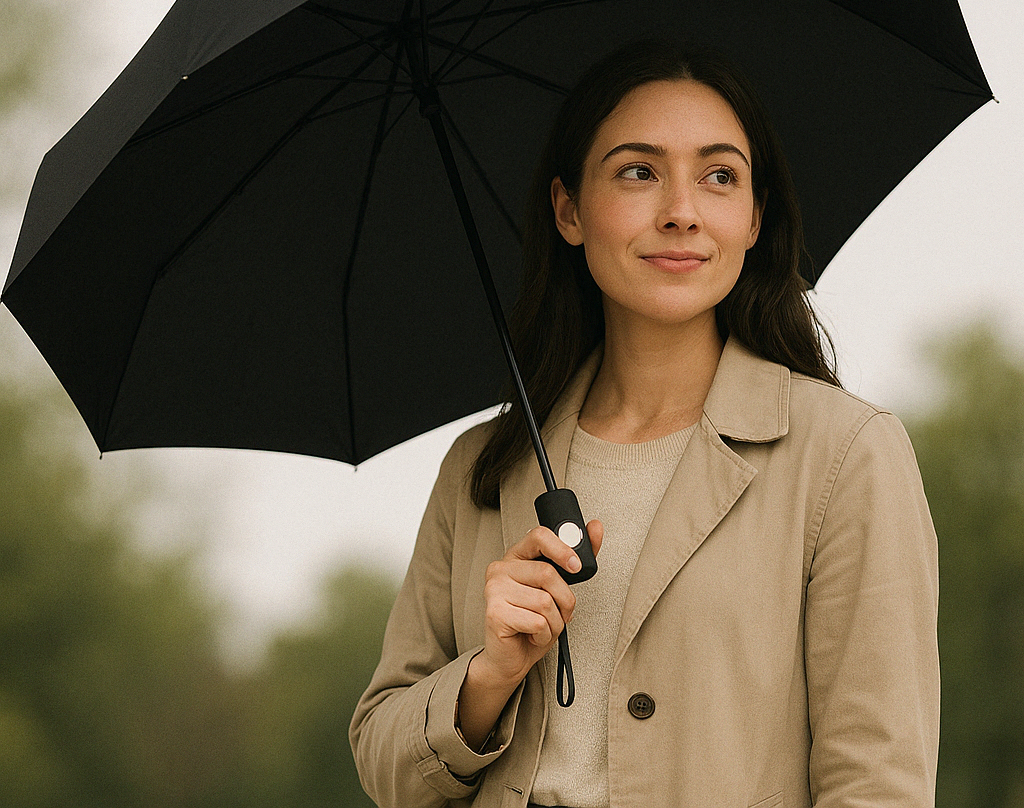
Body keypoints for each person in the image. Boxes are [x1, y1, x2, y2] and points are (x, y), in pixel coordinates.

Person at [349, 39, 939, 808]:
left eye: (719, 176)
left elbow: (877, 783)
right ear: (568, 210)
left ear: (755, 217)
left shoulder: (845, 456)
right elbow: (383, 761)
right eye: (639, 172)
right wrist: (487, 678)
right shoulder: (482, 469)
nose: (682, 212)